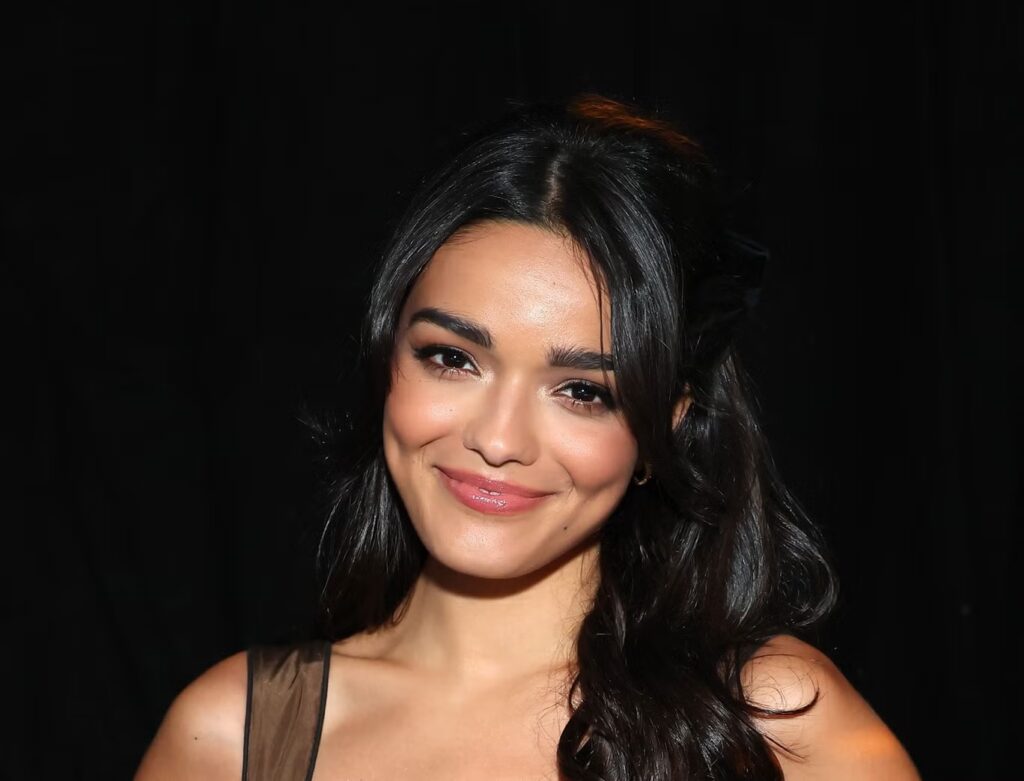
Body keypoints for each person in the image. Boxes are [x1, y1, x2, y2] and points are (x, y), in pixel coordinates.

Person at [136, 95, 920, 780]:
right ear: (386, 360)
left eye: (583, 391)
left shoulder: (772, 724)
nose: (498, 438)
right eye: (453, 358)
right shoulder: (233, 736)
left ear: (664, 429)